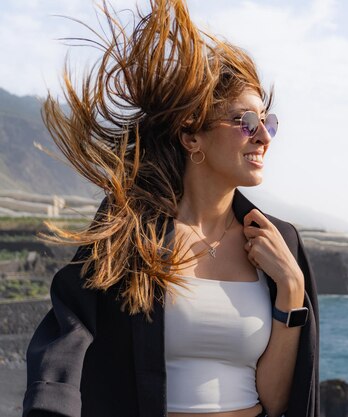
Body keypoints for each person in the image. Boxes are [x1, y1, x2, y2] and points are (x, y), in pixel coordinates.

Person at [21, 1, 319, 416]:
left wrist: (291, 288)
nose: (263, 137)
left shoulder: (279, 242)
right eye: (246, 121)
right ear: (191, 136)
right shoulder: (130, 230)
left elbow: (277, 400)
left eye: (268, 124)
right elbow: (69, 335)